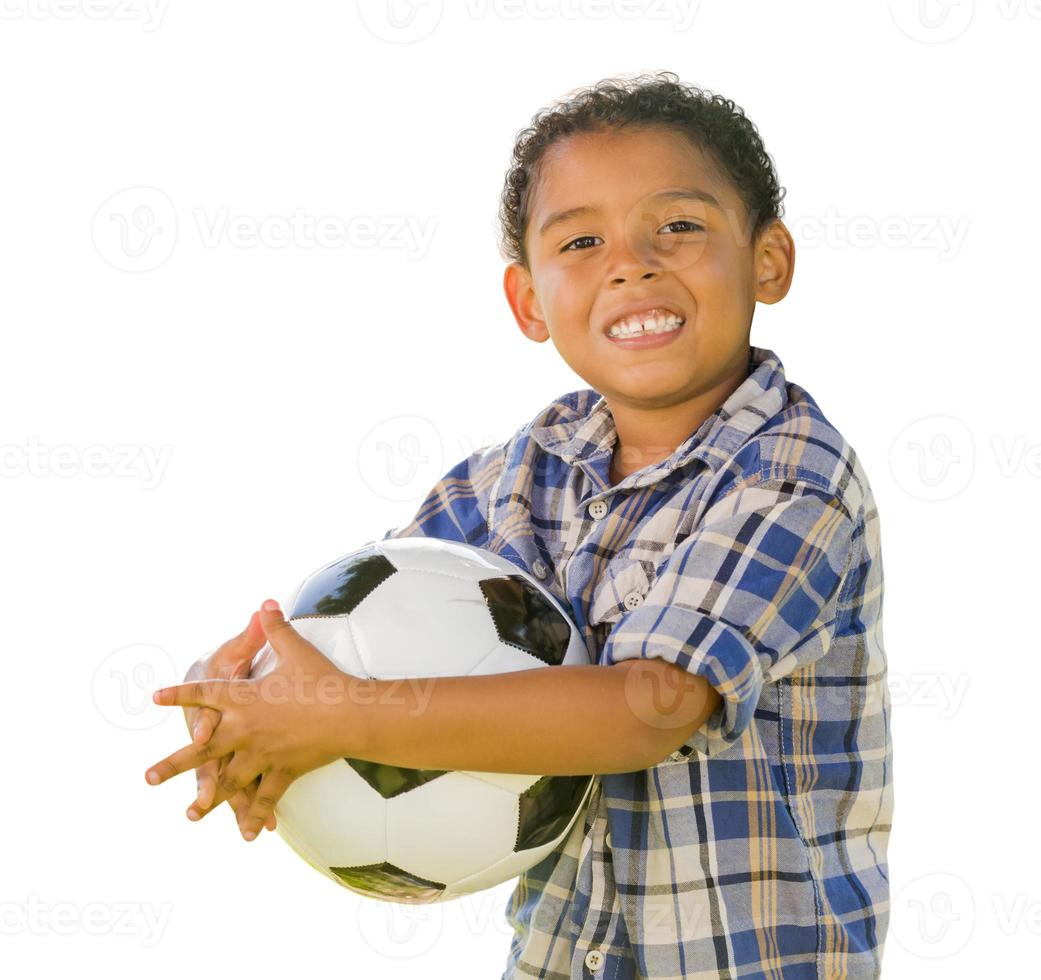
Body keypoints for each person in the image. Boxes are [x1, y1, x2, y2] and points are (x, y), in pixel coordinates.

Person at [148, 71, 893, 979]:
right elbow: (390, 620)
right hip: (557, 960)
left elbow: (648, 710)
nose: (631, 262)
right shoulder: (531, 464)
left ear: (767, 260)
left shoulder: (791, 475)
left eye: (680, 226)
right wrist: (250, 700)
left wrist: (342, 715)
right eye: (581, 240)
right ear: (528, 302)